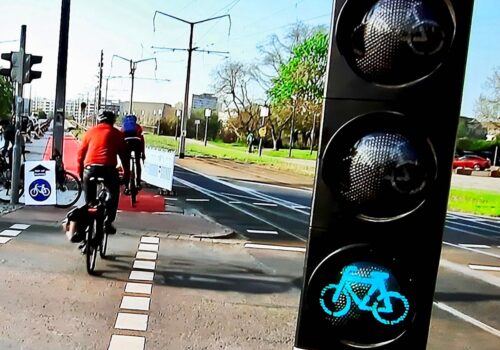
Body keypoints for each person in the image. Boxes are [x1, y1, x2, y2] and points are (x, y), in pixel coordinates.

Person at [76, 110, 129, 240]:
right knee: (113, 194)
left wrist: (80, 173)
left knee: (89, 203)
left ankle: (84, 230)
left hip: (90, 170)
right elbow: (124, 157)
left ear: (99, 120)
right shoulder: (117, 134)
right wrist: (126, 175)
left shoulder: (90, 132)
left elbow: (80, 155)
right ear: (112, 121)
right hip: (109, 170)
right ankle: (108, 221)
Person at [120, 114, 145, 194]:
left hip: (126, 143)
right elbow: (142, 141)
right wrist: (143, 153)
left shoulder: (123, 127)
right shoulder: (138, 127)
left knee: (126, 166)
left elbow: (120, 139)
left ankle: (127, 187)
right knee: (138, 163)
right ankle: (138, 183)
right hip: (137, 143)